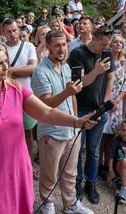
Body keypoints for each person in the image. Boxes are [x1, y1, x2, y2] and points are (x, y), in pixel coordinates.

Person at [0, 40, 97, 213]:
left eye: (6, 61)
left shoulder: (17, 89)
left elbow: (46, 113)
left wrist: (77, 121)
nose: (6, 67)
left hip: (18, 171)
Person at [31, 30, 93, 214]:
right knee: (49, 173)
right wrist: (68, 92)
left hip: (71, 130)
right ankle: (47, 203)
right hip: (51, 131)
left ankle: (70, 204)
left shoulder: (66, 68)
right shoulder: (41, 72)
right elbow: (45, 104)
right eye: (57, 45)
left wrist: (76, 122)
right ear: (48, 46)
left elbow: (73, 98)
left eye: (64, 44)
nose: (61, 48)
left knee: (70, 173)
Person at [68, 25, 114, 204]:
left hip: (99, 109)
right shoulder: (78, 54)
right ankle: (77, 183)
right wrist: (96, 71)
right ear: (93, 37)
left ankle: (91, 183)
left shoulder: (108, 53)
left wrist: (105, 102)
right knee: (78, 149)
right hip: (80, 108)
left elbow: (110, 77)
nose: (106, 47)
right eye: (103, 43)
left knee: (94, 151)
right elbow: (78, 84)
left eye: (108, 44)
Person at [2, 19, 38, 156]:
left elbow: (32, 68)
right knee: (9, 131)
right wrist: (19, 71)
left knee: (28, 131)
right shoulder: (1, 48)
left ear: (19, 30)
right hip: (7, 95)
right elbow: (2, 73)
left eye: (14, 30)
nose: (12, 34)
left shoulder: (29, 46)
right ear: (3, 33)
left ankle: (28, 161)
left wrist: (11, 70)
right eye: (9, 31)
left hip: (26, 94)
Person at [100, 34, 126, 174]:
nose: (118, 44)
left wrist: (117, 100)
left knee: (112, 136)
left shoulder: (125, 63)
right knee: (101, 133)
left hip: (117, 104)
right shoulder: (105, 60)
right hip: (104, 100)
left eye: (120, 42)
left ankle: (108, 164)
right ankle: (98, 163)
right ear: (110, 44)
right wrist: (107, 100)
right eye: (115, 42)